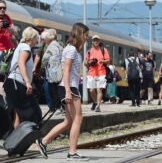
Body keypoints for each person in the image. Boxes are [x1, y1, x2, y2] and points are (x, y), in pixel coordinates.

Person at [37, 23, 89, 161]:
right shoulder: (71, 50)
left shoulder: (71, 49)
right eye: (85, 35)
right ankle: (72, 153)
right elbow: (66, 70)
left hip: (69, 86)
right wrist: (67, 91)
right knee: (78, 119)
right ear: (79, 34)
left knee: (68, 121)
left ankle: (43, 141)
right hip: (69, 87)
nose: (86, 38)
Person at [3, 27, 41, 129]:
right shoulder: (26, 47)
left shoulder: (20, 46)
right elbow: (21, 63)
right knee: (33, 112)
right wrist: (28, 82)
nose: (36, 41)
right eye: (36, 38)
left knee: (17, 115)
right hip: (17, 83)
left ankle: (15, 139)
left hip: (12, 83)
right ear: (32, 38)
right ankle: (31, 138)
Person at [84, 35, 110, 112]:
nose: (96, 41)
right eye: (94, 40)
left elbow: (108, 60)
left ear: (99, 41)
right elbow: (85, 63)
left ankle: (98, 106)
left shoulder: (103, 50)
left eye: (97, 40)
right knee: (91, 90)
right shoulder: (89, 51)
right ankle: (95, 102)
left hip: (101, 72)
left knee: (99, 90)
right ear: (92, 42)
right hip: (91, 73)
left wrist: (103, 61)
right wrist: (89, 62)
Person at [42, 29, 63, 111]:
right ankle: (58, 107)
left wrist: (48, 61)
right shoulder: (55, 44)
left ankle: (57, 108)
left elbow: (56, 57)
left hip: (53, 74)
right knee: (54, 91)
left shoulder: (52, 45)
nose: (44, 40)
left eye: (44, 38)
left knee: (53, 92)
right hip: (53, 72)